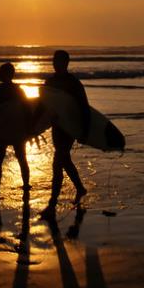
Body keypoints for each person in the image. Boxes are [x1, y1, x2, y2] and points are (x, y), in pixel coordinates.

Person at [40, 50, 91, 220]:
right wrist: (34, 130)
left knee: (58, 161)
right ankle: (80, 188)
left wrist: (83, 130)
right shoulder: (50, 82)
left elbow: (84, 107)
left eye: (59, 61)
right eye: (54, 61)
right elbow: (42, 107)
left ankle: (52, 204)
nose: (56, 64)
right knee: (65, 160)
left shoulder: (73, 83)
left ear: (66, 63)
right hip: (57, 127)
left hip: (70, 127)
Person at [0, 62, 31, 201]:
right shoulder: (19, 89)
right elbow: (27, 110)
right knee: (21, 158)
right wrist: (29, 130)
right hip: (17, 129)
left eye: (1, 72)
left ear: (7, 74)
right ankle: (26, 185)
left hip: (3, 130)